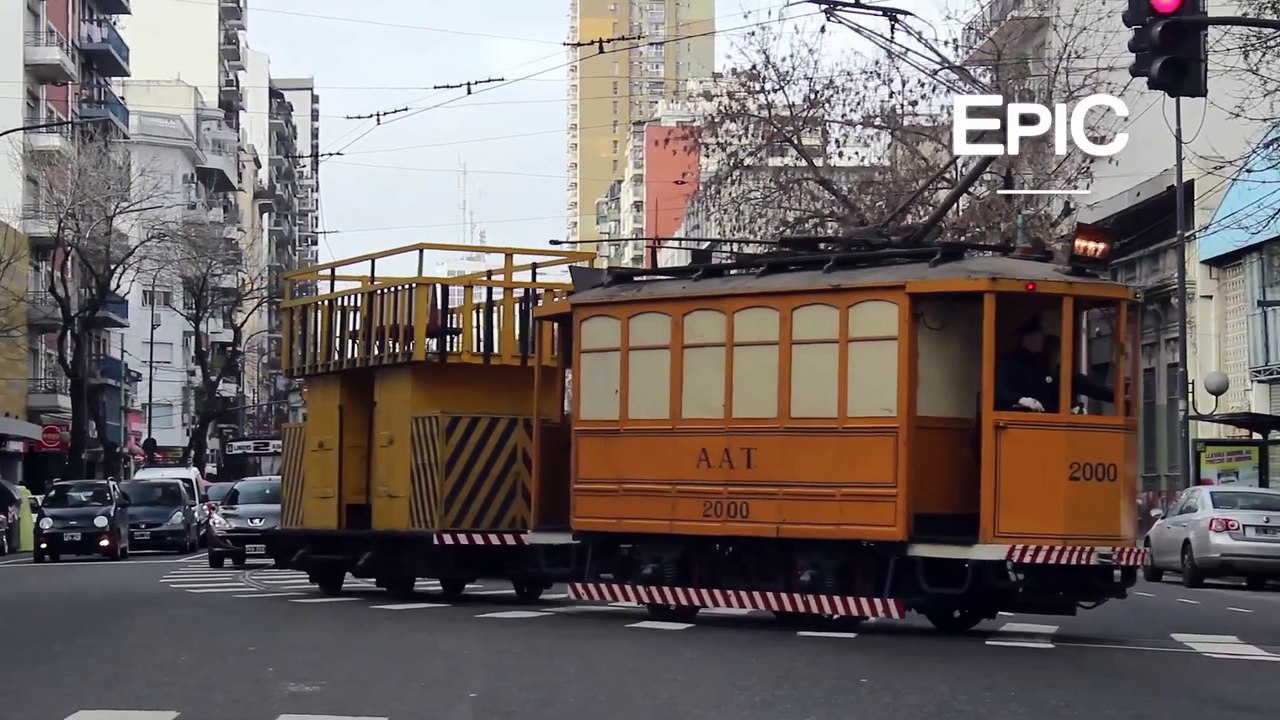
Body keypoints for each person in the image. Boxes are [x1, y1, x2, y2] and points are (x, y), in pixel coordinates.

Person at [994, 315, 1114, 413]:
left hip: (1047, 425)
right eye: (1037, 334)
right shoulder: (1010, 363)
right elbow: (1000, 391)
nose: (1041, 338)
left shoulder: (1045, 365)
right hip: (1019, 425)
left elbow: (1076, 382)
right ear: (1026, 338)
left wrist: (1112, 396)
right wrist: (1020, 400)